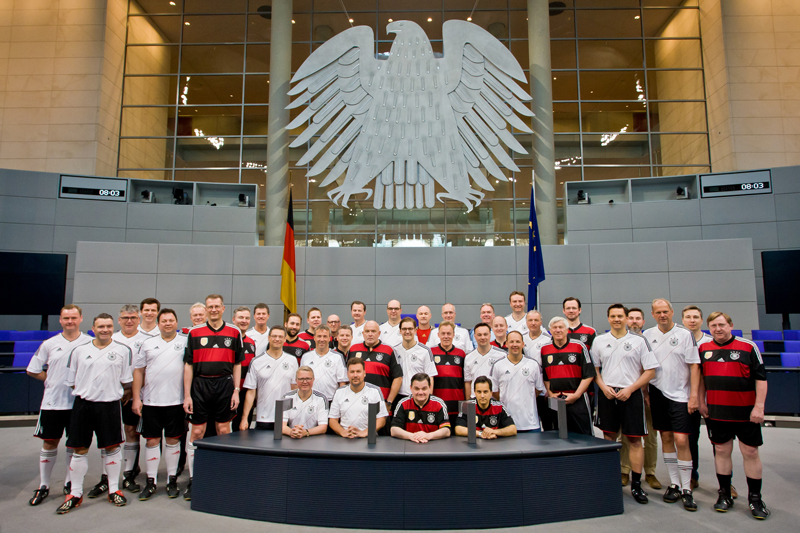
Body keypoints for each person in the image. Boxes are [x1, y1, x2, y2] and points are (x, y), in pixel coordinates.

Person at [57, 313, 133, 514]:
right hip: (83, 405)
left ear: (113, 327)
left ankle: (114, 490)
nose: (105, 330)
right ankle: (75, 493)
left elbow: (126, 380)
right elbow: (72, 380)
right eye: (101, 326)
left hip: (109, 405)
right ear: (93, 327)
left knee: (112, 447)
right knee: (79, 449)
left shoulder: (123, 351)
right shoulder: (79, 350)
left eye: (108, 326)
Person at [699, 312, 769, 519]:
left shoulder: (748, 347)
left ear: (730, 325)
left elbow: (761, 379)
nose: (718, 329)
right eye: (713, 326)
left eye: (721, 325)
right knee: (721, 450)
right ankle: (725, 494)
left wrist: (759, 407)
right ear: (709, 328)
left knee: (750, 453)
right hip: (717, 412)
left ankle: (755, 499)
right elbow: (701, 378)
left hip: (746, 412)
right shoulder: (704, 348)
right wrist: (701, 401)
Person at [592, 303, 659, 504]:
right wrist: (603, 387)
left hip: (631, 395)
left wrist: (631, 389)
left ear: (626, 318)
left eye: (620, 316)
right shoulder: (599, 341)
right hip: (607, 394)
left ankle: (636, 485)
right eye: (613, 316)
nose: (617, 319)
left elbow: (650, 371)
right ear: (608, 318)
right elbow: (595, 370)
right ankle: (609, 479)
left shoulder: (639, 341)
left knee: (635, 440)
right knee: (608, 437)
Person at [26, 305, 91, 506]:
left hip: (78, 405)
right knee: (49, 443)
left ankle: (69, 483)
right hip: (52, 403)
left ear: (81, 318)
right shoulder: (49, 344)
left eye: (73, 317)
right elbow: (33, 370)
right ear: (61, 320)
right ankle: (44, 485)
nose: (70, 321)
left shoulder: (90, 343)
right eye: (66, 318)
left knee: (74, 445)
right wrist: (51, 380)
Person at [182, 294, 244, 501]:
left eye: (217, 306)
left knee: (223, 430)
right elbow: (188, 365)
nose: (214, 309)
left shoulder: (234, 332)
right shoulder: (194, 332)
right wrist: (187, 395)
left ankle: (222, 475)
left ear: (223, 308)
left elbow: (237, 364)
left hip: (225, 385)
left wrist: (236, 390)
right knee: (197, 431)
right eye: (210, 306)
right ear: (206, 309)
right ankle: (194, 478)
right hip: (200, 385)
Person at [643, 298, 701, 511]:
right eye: (658, 312)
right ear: (653, 314)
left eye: (665, 311)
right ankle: (674, 484)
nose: (662, 315)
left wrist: (694, 395)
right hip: (657, 393)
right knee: (666, 437)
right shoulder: (647, 335)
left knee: (682, 440)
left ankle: (687, 488)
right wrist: (646, 392)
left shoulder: (685, 335)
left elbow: (695, 366)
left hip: (681, 395)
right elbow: (645, 366)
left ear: (672, 312)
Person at [131, 309, 187, 501]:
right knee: (152, 441)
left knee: (173, 440)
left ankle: (172, 480)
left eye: (171, 320)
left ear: (176, 322)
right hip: (151, 402)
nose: (168, 323)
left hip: (176, 401)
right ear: (158, 323)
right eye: (164, 321)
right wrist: (137, 398)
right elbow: (138, 371)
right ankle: (151, 481)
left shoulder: (185, 342)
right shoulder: (147, 343)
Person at [107, 304, 157, 495]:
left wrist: (132, 391)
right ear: (119, 320)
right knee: (110, 433)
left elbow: (148, 370)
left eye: (133, 318)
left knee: (131, 430)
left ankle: (129, 472)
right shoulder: (111, 338)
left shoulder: (147, 340)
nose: (129, 321)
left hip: (133, 394)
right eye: (125, 318)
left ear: (139, 319)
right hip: (109, 395)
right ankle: (107, 475)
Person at [682, 304, 726, 493]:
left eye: (695, 317)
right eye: (688, 317)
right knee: (691, 440)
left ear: (701, 320)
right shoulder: (679, 340)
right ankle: (692, 477)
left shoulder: (711, 342)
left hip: (712, 401)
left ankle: (725, 483)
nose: (692, 320)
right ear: (683, 320)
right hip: (688, 399)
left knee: (720, 444)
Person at [619, 307, 660, 490]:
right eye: (631, 318)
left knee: (650, 437)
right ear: (627, 320)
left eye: (638, 319)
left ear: (643, 322)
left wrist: (645, 392)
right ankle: (625, 471)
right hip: (629, 395)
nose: (634, 321)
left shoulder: (649, 341)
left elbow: (651, 370)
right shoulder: (622, 342)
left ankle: (650, 472)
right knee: (628, 436)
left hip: (649, 395)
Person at [539, 317, 596, 435]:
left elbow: (589, 374)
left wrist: (576, 395)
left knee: (584, 436)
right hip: (555, 399)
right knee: (556, 435)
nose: (558, 330)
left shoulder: (579, 346)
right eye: (555, 328)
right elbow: (545, 376)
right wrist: (550, 393)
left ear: (567, 330)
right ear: (550, 330)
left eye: (561, 327)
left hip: (577, 399)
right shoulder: (545, 349)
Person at [240, 326, 298, 431]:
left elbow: (295, 389)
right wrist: (244, 418)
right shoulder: (256, 361)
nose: (277, 339)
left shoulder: (292, 360)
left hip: (285, 418)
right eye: (274, 336)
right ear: (268, 338)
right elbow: (251, 392)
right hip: (264, 417)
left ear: (285, 339)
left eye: (280, 336)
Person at [490, 331, 545, 432]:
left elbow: (538, 389)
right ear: (506, 344)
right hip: (506, 424)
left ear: (523, 344)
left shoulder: (533, 364)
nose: (514, 344)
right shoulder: (498, 365)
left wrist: (526, 397)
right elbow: (494, 391)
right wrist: (506, 399)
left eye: (518, 342)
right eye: (511, 342)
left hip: (531, 424)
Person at [349, 320, 403, 415]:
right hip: (356, 404)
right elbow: (347, 376)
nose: (370, 334)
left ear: (379, 333)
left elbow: (398, 378)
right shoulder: (353, 349)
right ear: (363, 333)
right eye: (367, 331)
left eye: (373, 331)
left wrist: (389, 402)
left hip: (381, 404)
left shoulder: (389, 350)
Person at [328, 358, 388, 438]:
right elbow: (333, 420)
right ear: (347, 374)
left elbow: (381, 419)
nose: (355, 375)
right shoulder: (339, 392)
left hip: (367, 438)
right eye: (352, 372)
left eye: (358, 371)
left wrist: (365, 432)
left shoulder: (374, 391)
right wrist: (343, 432)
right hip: (345, 438)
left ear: (364, 373)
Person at [391, 373, 451, 442]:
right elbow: (394, 429)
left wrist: (428, 436)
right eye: (416, 389)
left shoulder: (439, 404)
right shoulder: (403, 403)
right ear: (411, 388)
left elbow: (446, 430)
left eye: (424, 388)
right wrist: (411, 436)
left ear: (430, 388)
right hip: (409, 446)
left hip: (433, 446)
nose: (420, 392)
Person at [430, 321, 467, 426]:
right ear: (438, 335)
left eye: (449, 333)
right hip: (438, 404)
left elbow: (465, 380)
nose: (446, 336)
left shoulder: (461, 354)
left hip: (456, 404)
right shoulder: (431, 352)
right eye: (443, 333)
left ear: (453, 335)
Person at [299, 326, 347, 404]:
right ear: (314, 337)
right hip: (310, 400)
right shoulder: (306, 357)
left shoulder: (337, 357)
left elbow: (342, 382)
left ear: (329, 338)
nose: (322, 339)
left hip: (331, 400)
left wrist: (339, 402)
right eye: (319, 336)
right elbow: (300, 380)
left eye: (325, 336)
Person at [394, 317, 437, 400]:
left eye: (410, 329)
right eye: (404, 329)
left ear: (415, 330)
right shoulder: (394, 350)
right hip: (398, 396)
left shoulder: (425, 351)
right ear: (400, 331)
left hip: (419, 396)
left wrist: (429, 398)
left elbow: (430, 376)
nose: (407, 331)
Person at [282, 367, 329, 438]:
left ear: (313, 380)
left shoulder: (321, 399)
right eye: (301, 379)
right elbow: (282, 425)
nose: (304, 382)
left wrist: (306, 432)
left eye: (308, 378)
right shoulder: (287, 397)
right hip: (292, 438)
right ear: (296, 381)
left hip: (313, 438)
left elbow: (323, 427)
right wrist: (291, 432)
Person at [231, 307, 257, 432]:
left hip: (246, 393)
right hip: (229, 392)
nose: (244, 320)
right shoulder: (228, 340)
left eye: (247, 318)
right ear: (233, 319)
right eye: (241, 317)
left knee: (242, 428)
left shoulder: (251, 342)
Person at [464, 323, 506, 399]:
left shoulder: (502, 355)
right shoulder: (468, 357)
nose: (482, 337)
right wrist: (468, 403)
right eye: (479, 335)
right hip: (475, 400)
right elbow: (468, 382)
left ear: (490, 335)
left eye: (485, 334)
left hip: (495, 401)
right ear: (475, 336)